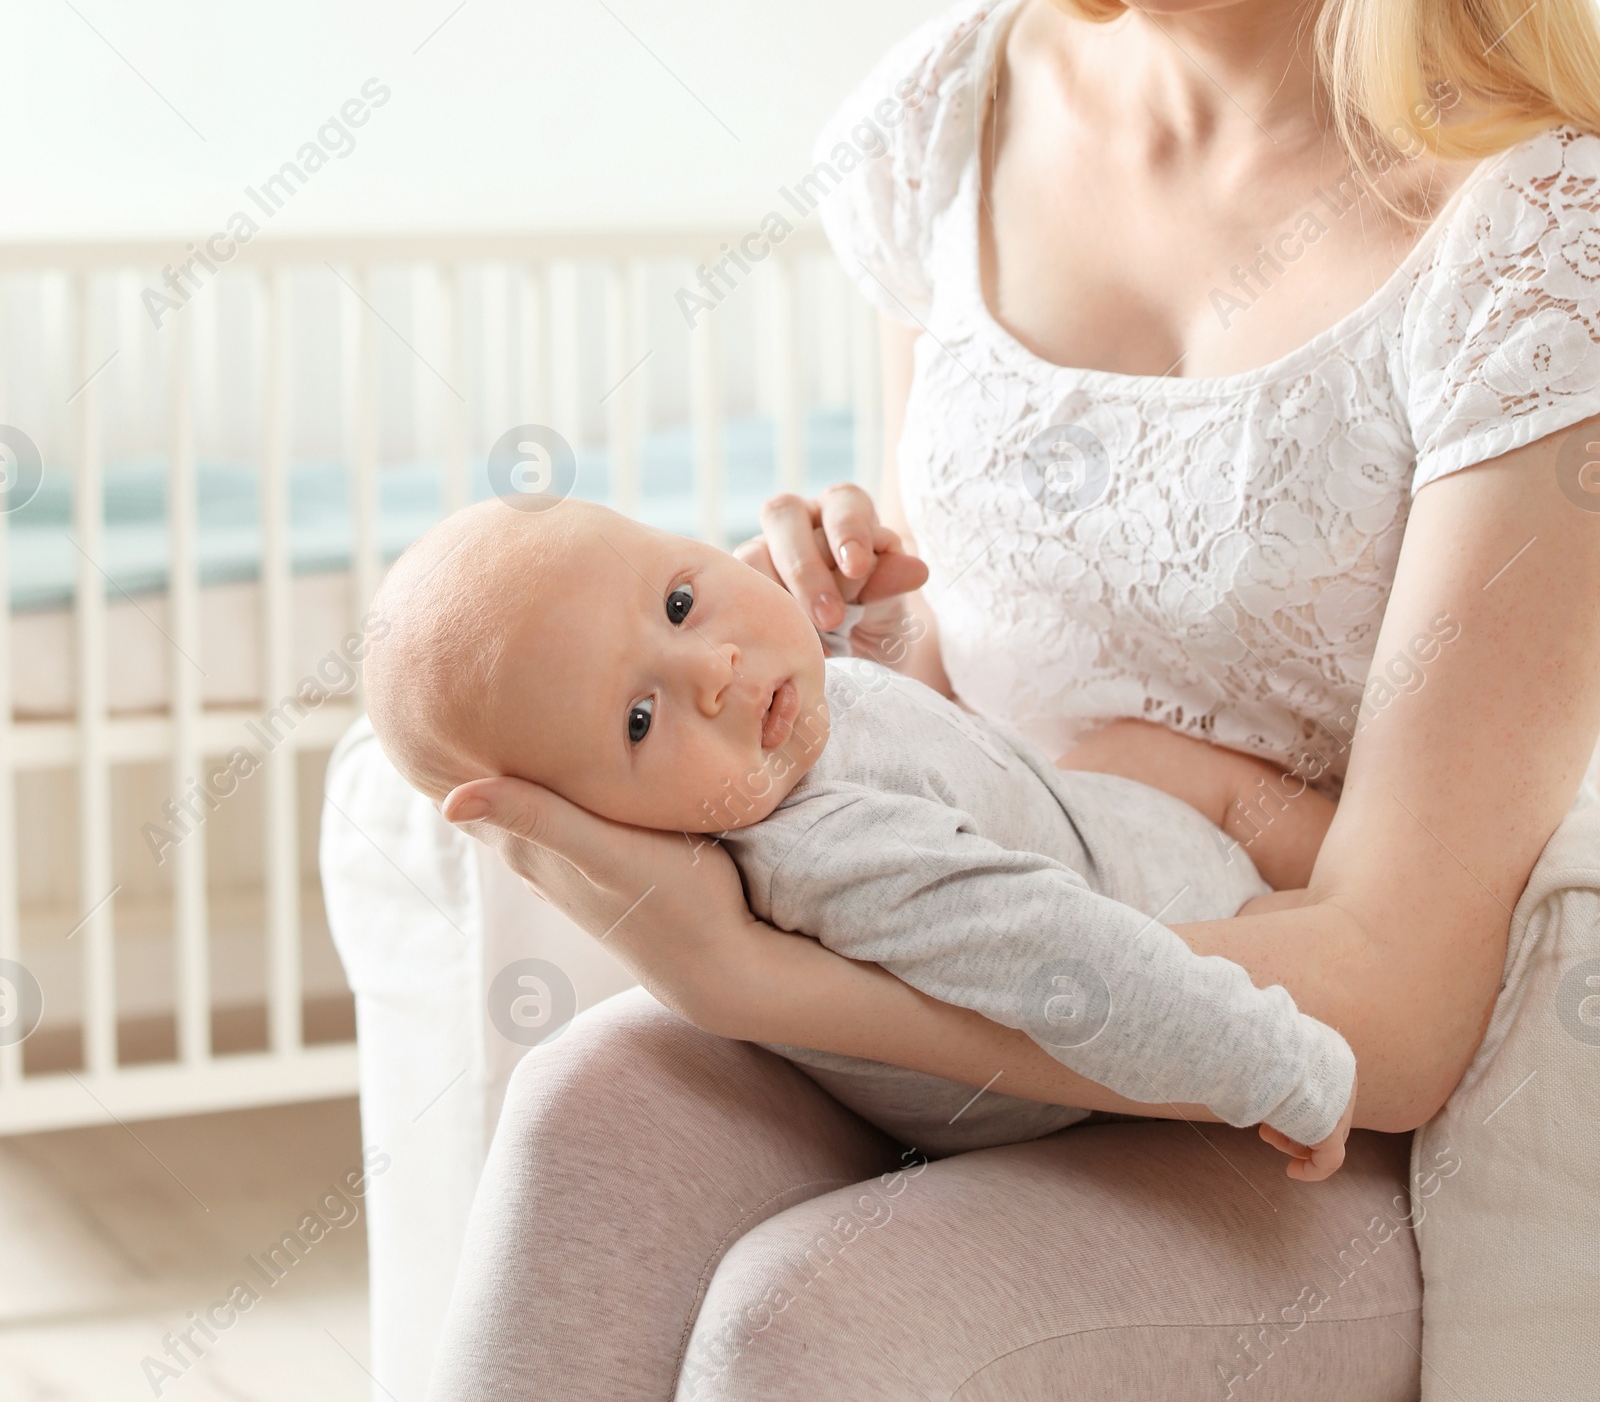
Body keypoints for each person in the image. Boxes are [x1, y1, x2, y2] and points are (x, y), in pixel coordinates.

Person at [424, 0, 1600, 1400]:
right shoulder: (945, 121)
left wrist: (776, 973)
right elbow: (996, 696)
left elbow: (1391, 1006)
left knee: (812, 1324)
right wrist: (864, 631)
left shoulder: (1530, 250)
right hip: (991, 951)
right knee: (585, 1120)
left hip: (1293, 1123)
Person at [363, 496, 1358, 1175]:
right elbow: (1082, 966)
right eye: (637, 719)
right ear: (591, 832)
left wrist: (868, 630)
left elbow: (887, 726)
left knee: (1146, 756)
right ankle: (1388, 928)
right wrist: (1275, 1062)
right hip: (1141, 975)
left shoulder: (776, 737)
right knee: (1257, 861)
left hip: (1085, 834)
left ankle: (1371, 898)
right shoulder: (833, 855)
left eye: (677, 603)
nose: (710, 668)